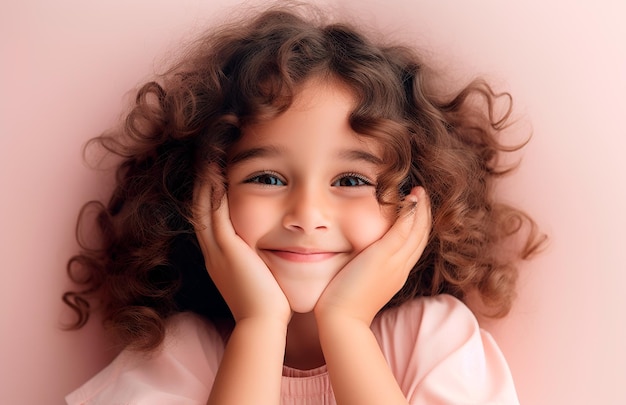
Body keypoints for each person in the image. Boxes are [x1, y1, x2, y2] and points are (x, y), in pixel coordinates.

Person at [63, 3, 545, 404]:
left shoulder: (432, 339)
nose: (307, 216)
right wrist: (258, 327)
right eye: (268, 177)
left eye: (352, 179)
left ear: (410, 206)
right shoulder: (178, 353)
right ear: (206, 196)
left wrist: (347, 326)